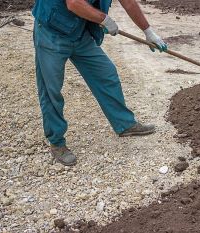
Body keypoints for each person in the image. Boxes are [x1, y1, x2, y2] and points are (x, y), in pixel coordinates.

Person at [32, 0, 167, 166]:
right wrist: (104, 19)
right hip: (51, 32)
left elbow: (129, 3)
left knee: (106, 74)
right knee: (51, 89)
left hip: (80, 32)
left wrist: (148, 31)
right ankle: (57, 142)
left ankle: (124, 124)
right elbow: (74, 3)